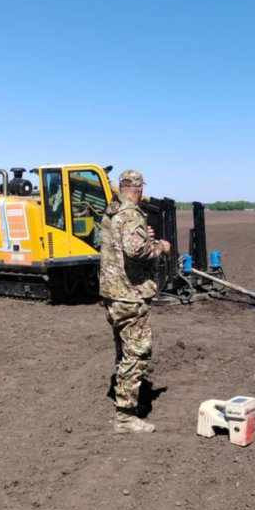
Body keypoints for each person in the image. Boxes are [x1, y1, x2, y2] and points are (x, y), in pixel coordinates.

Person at [99, 169, 172, 433]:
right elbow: (135, 249)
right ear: (139, 189)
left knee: (123, 351)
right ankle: (125, 418)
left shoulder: (113, 211)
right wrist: (159, 247)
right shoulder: (130, 214)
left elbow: (120, 243)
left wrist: (144, 235)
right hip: (130, 295)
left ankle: (126, 404)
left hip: (113, 294)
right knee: (137, 353)